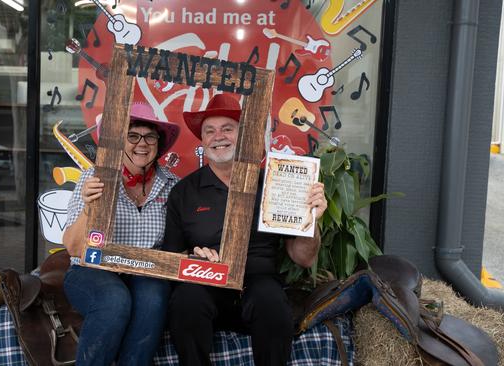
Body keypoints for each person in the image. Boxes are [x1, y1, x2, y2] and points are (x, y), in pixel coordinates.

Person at [162, 94, 328, 366]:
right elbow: (171, 257)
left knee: (273, 305)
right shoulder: (184, 192)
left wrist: (312, 219)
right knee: (185, 302)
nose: (219, 136)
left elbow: (304, 258)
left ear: (244, 135)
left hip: (258, 281)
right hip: (207, 282)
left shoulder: (273, 182)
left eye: (227, 128)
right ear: (202, 140)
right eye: (210, 130)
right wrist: (193, 259)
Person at [62, 102, 180, 366]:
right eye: (133, 135)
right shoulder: (95, 177)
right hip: (91, 271)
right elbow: (72, 247)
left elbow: (179, 244)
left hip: (145, 271)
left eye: (150, 136)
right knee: (114, 300)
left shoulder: (173, 185)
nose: (142, 143)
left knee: (154, 296)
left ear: (158, 143)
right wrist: (91, 206)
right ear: (118, 141)